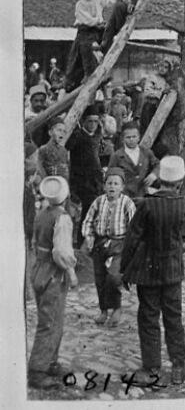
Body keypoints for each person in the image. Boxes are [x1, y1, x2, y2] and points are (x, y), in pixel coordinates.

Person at [120, 155, 185, 385]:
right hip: (172, 270)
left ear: (159, 178)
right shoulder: (182, 204)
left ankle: (151, 367)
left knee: (148, 317)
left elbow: (132, 239)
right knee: (173, 317)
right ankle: (178, 365)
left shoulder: (146, 205)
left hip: (148, 270)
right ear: (180, 181)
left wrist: (125, 269)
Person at [27, 175, 79, 390]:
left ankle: (50, 360)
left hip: (38, 268)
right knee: (50, 321)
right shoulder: (62, 218)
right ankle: (38, 370)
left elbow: (34, 241)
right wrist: (71, 272)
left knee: (52, 317)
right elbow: (61, 251)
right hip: (53, 272)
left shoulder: (41, 214)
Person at [81, 167, 136, 327]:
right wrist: (89, 236)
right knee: (100, 278)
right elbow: (88, 220)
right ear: (104, 186)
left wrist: (130, 246)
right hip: (100, 243)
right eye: (109, 183)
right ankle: (104, 310)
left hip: (119, 244)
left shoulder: (127, 203)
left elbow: (133, 226)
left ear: (122, 187)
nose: (112, 187)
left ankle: (117, 307)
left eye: (116, 184)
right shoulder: (99, 201)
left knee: (113, 276)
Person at [66, 104, 104, 245]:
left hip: (95, 182)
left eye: (95, 121)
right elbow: (67, 146)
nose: (93, 124)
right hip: (82, 182)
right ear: (83, 121)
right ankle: (80, 241)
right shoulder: (77, 136)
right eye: (90, 121)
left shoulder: (97, 136)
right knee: (85, 214)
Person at [108, 120, 159, 199]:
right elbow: (110, 175)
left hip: (142, 194)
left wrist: (154, 175)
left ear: (139, 137)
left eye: (134, 136)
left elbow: (158, 164)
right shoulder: (117, 156)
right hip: (124, 196)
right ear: (123, 139)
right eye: (128, 137)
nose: (131, 139)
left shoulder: (146, 152)